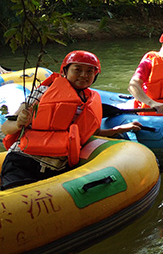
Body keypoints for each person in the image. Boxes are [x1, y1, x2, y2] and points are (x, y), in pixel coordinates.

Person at [1, 51, 142, 190]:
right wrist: (19, 122)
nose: (83, 75)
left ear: (95, 75)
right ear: (65, 71)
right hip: (22, 160)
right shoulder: (43, 92)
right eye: (77, 70)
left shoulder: (91, 101)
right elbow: (6, 128)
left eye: (89, 71)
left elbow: (92, 133)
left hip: (57, 167)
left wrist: (120, 129)